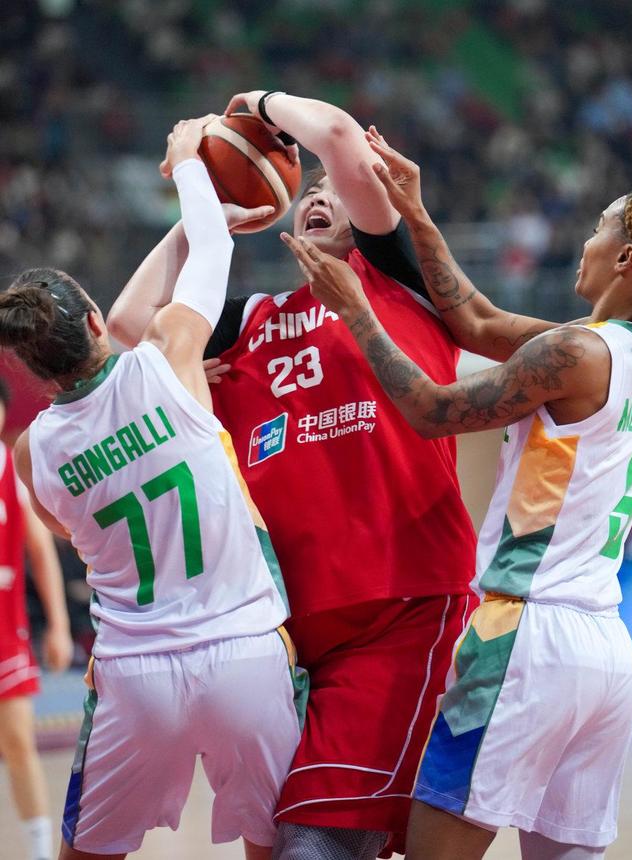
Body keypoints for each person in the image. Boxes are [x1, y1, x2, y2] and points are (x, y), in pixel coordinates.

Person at [107, 92, 564, 859]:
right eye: (306, 192)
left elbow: (342, 139)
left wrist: (256, 104)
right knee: (276, 844)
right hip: (280, 632)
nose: (317, 196)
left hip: (397, 608)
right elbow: (128, 326)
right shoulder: (248, 318)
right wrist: (202, 219)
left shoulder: (398, 280)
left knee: (314, 843)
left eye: (331, 190)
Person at [282, 139, 632, 860]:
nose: (584, 241)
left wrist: (357, 312)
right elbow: (478, 322)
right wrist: (417, 214)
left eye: (599, 228)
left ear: (625, 258)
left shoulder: (575, 354)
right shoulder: (624, 353)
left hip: (526, 636)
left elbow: (430, 410)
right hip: (607, 656)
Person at [4, 117, 303, 860]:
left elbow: (70, 533)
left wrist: (200, 217)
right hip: (242, 650)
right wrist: (188, 166)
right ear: (95, 321)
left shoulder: (33, 452)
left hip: (134, 673)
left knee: (89, 854)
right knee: (275, 846)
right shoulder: (171, 357)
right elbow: (213, 252)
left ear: (32, 375)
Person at [0, 378, 73, 860]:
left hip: (6, 631)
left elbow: (41, 552)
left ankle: (40, 850)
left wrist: (59, 625)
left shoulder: (10, 467)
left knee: (18, 741)